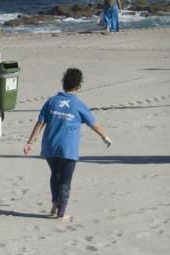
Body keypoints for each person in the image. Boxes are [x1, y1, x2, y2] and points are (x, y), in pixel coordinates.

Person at [23, 68, 112, 222]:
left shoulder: (52, 101)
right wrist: (105, 136)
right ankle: (61, 212)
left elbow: (40, 122)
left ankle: (54, 204)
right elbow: (94, 124)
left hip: (50, 146)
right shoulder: (78, 105)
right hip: (68, 148)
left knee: (55, 175)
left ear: (64, 83)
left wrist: (30, 142)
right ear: (78, 86)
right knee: (65, 180)